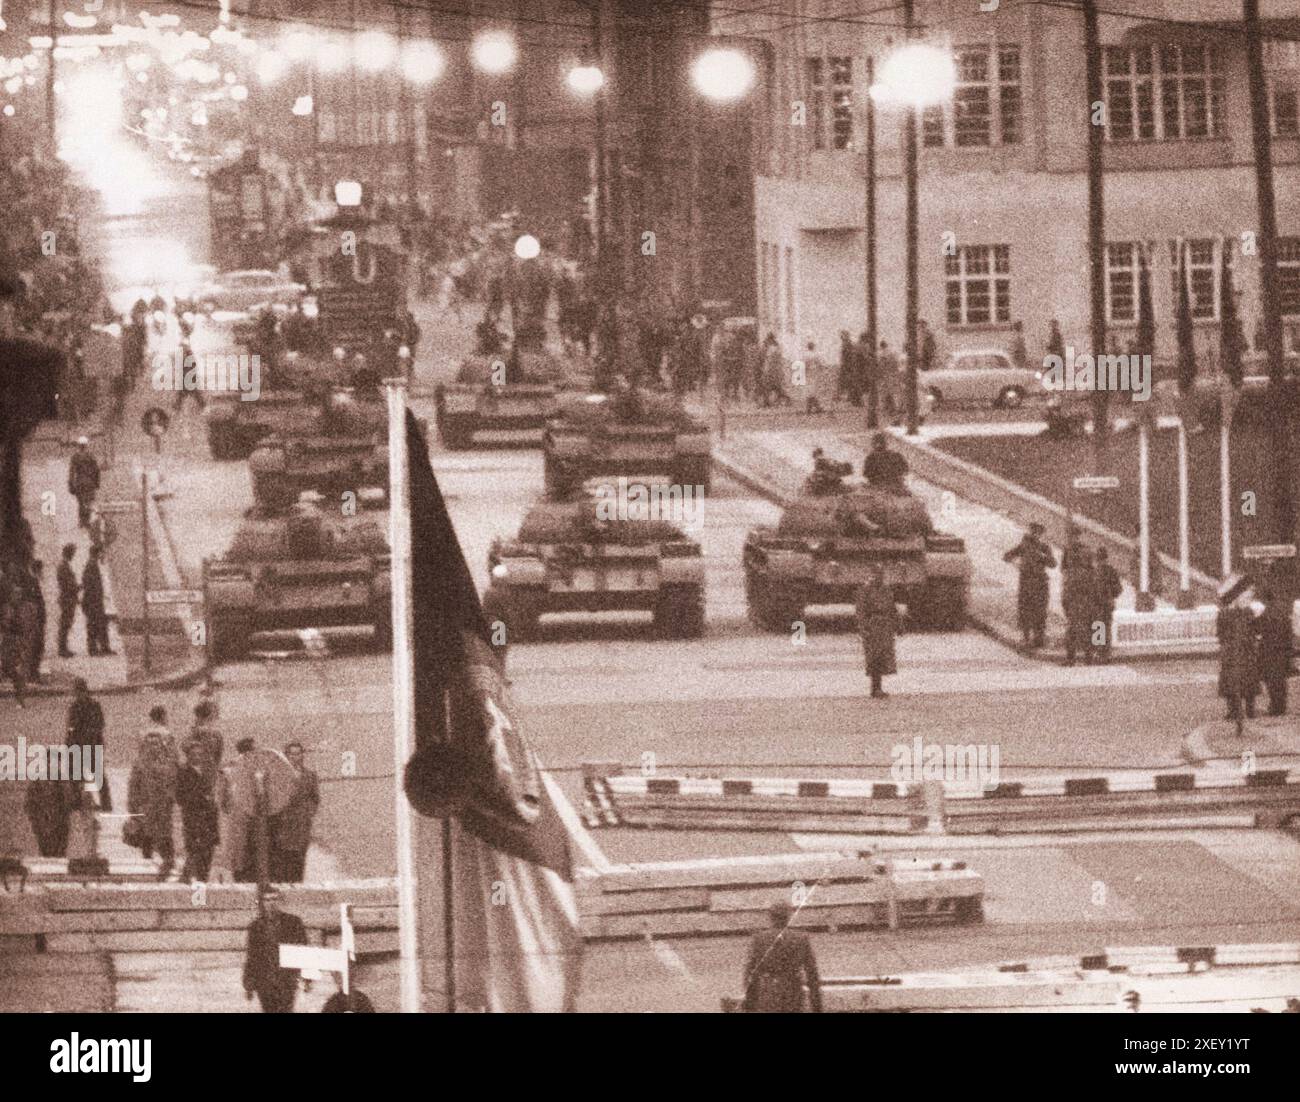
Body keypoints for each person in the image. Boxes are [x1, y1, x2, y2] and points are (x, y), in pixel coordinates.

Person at [127, 706, 179, 881]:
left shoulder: (143, 735)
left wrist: (134, 793)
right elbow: (173, 762)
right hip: (162, 789)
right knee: (164, 827)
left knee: (147, 826)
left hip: (145, 788)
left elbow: (139, 763)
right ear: (163, 716)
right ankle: (167, 862)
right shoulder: (167, 735)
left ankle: (147, 864)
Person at [741, 900, 822, 1013]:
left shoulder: (759, 939)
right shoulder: (801, 939)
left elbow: (751, 973)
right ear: (789, 917)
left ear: (770, 917)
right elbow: (812, 974)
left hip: (768, 992)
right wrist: (817, 1006)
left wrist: (749, 1005)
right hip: (793, 990)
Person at [242, 889, 309, 1013]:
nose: (271, 903)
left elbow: (304, 951)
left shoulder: (294, 923)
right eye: (267, 900)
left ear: (280, 901)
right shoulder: (255, 926)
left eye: (274, 899)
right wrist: (248, 985)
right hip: (264, 981)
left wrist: (307, 978)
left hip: (287, 980)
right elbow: (252, 956)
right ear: (262, 903)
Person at [1217, 578, 1261, 735]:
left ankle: (1236, 710)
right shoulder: (1246, 613)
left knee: (1232, 680)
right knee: (1246, 679)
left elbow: (1220, 635)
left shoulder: (1225, 614)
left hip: (1234, 652)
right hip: (1244, 651)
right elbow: (1255, 630)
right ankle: (1247, 709)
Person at [271, 742, 320, 883]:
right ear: (286, 756)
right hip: (283, 825)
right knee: (283, 860)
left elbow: (315, 799)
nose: (296, 757)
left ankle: (298, 887)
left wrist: (307, 814)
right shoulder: (278, 776)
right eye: (292, 754)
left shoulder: (310, 776)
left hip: (301, 825)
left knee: (299, 859)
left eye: (299, 753)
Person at [1003, 523, 1055, 650]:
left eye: (1038, 533)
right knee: (1025, 610)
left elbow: (1053, 563)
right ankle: (1026, 637)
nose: (1036, 535)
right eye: (1034, 532)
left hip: (1040, 583)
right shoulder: (1024, 545)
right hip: (1026, 582)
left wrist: (1043, 556)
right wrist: (1017, 563)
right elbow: (1007, 556)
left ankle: (1039, 639)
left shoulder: (1044, 547)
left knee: (1040, 611)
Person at [176, 743, 219, 884]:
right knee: (194, 848)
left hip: (209, 817)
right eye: (194, 754)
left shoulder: (208, 772)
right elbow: (180, 796)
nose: (197, 757)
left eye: (200, 754)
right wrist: (201, 798)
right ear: (188, 756)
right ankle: (189, 880)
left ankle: (199, 882)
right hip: (193, 816)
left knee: (208, 850)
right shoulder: (183, 773)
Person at [66, 678, 110, 812]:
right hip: (90, 744)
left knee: (81, 774)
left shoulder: (76, 707)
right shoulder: (94, 705)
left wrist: (69, 743)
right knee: (94, 775)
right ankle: (105, 803)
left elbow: (71, 728)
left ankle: (78, 802)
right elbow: (100, 724)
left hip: (84, 745)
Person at [854, 566, 898, 699]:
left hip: (885, 626)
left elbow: (892, 608)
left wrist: (898, 625)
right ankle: (875, 688)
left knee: (884, 656)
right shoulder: (865, 590)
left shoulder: (886, 589)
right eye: (876, 574)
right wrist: (863, 628)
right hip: (873, 625)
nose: (879, 577)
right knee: (874, 657)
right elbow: (861, 611)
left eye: (881, 574)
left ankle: (878, 688)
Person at [1254, 587, 1292, 718]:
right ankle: (1281, 706)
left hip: (1270, 651)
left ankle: (1275, 707)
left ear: (1265, 599)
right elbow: (1289, 632)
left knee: (1271, 680)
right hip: (1282, 651)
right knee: (1280, 680)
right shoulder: (1282, 611)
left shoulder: (1267, 612)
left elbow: (1257, 628)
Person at [1061, 534, 1097, 666]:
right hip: (1087, 604)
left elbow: (1066, 594)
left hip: (1075, 604)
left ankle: (1071, 658)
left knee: (1072, 630)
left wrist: (1065, 605)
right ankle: (1089, 657)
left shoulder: (1072, 575)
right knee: (1088, 628)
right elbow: (1095, 590)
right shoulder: (1091, 573)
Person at [182, 700, 224, 798]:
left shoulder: (194, 731)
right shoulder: (216, 733)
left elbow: (184, 747)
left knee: (194, 797)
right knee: (209, 797)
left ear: (198, 716)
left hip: (194, 769)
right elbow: (219, 754)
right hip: (210, 768)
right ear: (210, 715)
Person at [24, 778, 73, 857]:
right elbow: (29, 806)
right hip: (45, 820)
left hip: (56, 821)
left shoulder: (63, 783)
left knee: (56, 848)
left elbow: (69, 802)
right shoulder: (37, 784)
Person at [81, 545, 113, 656]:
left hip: (97, 600)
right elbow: (89, 585)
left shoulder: (94, 564)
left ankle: (104, 647)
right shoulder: (91, 565)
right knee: (93, 625)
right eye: (101, 552)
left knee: (101, 624)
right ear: (97, 553)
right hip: (93, 601)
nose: (103, 555)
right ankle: (93, 649)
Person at [1092, 548, 1122, 661]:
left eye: (1101, 559)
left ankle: (1102, 653)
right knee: (1102, 626)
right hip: (1101, 603)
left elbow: (1118, 588)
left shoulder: (1106, 571)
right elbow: (1118, 588)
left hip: (1103, 603)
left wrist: (1109, 593)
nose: (1100, 562)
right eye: (1099, 559)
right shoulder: (1100, 571)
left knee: (1102, 626)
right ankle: (1102, 652)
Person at [68, 437, 100, 529]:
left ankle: (82, 521)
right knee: (89, 502)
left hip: (80, 482)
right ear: (86, 445)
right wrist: (97, 483)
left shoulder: (75, 457)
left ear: (79, 446)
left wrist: (71, 485)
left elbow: (72, 472)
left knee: (81, 502)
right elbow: (97, 470)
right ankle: (87, 521)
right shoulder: (91, 456)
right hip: (90, 483)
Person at [56, 543, 79, 657]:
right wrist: (77, 587)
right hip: (67, 598)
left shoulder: (65, 565)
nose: (73, 555)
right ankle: (62, 649)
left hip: (68, 598)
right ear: (68, 553)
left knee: (66, 623)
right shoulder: (63, 566)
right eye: (72, 553)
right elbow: (67, 584)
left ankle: (64, 647)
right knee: (65, 623)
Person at [25, 560, 46, 682]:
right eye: (40, 570)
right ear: (37, 570)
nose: (42, 572)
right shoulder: (31, 582)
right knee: (35, 647)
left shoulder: (33, 581)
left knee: (37, 647)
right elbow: (33, 604)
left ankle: (33, 673)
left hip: (37, 621)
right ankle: (32, 674)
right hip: (34, 621)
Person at [876, 340, 901, 423]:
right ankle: (894, 409)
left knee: (885, 393)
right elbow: (896, 365)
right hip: (893, 375)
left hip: (885, 376)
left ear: (881, 346)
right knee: (892, 393)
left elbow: (881, 367)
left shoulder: (882, 355)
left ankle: (889, 410)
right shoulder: (893, 353)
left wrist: (880, 376)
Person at [801, 338, 828, 414]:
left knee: (809, 390)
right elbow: (820, 364)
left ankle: (811, 407)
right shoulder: (815, 355)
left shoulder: (805, 355)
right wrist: (823, 370)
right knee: (813, 390)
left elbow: (804, 365)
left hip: (808, 373)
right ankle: (815, 407)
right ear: (813, 347)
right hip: (814, 373)